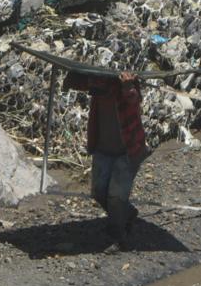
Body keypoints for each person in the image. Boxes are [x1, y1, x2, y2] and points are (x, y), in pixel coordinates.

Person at [63, 70, 149, 249]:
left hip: (128, 150)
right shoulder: (98, 86)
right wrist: (68, 79)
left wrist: (127, 87)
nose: (96, 93)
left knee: (116, 196)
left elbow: (133, 99)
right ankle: (127, 213)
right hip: (103, 148)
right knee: (99, 192)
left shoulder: (126, 89)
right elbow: (81, 82)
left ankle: (118, 235)